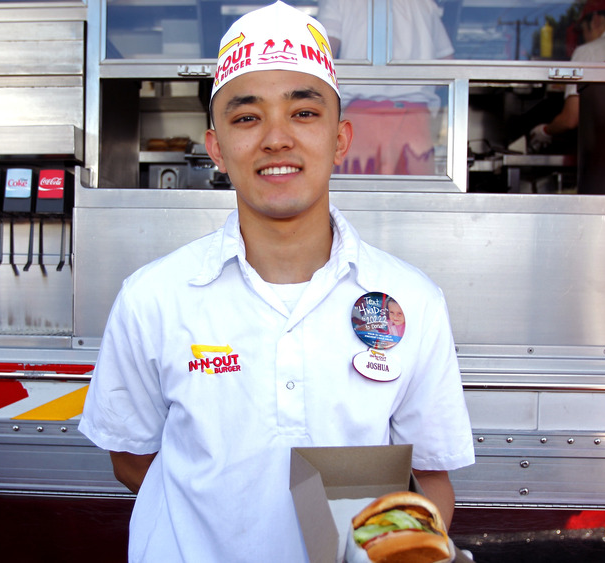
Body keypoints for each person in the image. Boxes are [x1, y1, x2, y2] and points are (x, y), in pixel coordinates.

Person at [77, 2, 474, 561]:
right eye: (247, 117)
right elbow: (132, 459)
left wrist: (387, 547)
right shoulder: (154, 299)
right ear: (216, 147)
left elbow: (429, 474)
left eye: (304, 113)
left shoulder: (414, 302)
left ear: (340, 139)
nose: (276, 138)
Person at [317, 0, 454, 175]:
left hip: (360, 118)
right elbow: (447, 61)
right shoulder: (423, 3)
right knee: (415, 196)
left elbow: (322, 55)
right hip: (414, 119)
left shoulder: (340, 2)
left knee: (356, 197)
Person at [528, 0, 605, 151]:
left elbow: (571, 119)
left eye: (582, 31)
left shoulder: (589, 51)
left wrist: (545, 131)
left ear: (595, 20)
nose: (584, 37)